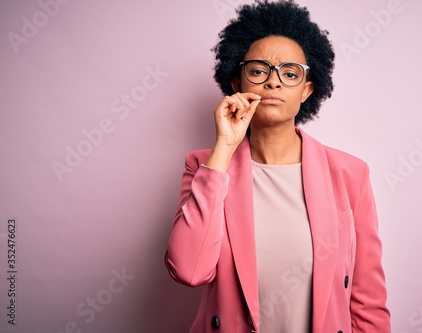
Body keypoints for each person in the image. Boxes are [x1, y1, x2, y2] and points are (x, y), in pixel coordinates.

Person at [165, 1, 391, 332]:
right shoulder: (203, 166)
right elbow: (189, 270)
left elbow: (367, 300)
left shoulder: (350, 174)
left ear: (307, 89)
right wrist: (223, 149)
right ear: (237, 83)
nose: (273, 83)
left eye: (289, 73)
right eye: (258, 71)